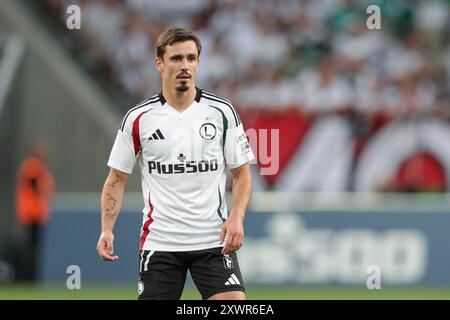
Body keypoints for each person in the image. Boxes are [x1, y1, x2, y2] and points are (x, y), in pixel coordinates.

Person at [96, 27, 254, 300]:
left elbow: (241, 174)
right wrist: (106, 230)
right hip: (161, 243)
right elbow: (116, 179)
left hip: (213, 241)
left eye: (191, 58)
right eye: (176, 58)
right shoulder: (138, 118)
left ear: (199, 63)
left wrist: (237, 216)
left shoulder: (221, 112)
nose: (185, 66)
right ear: (159, 63)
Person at [16, 140, 55, 281]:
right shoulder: (32, 165)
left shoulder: (37, 166)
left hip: (37, 213)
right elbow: (35, 185)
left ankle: (30, 276)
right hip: (32, 213)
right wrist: (46, 191)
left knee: (34, 247)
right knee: (32, 247)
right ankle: (28, 277)